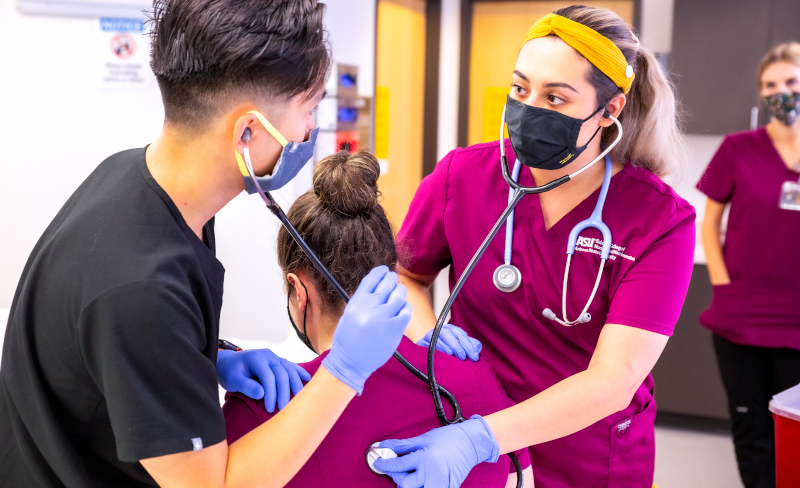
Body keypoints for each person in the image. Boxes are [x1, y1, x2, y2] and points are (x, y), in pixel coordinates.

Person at [0, 1, 413, 487]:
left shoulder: (142, 180)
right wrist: (343, 371)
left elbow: (107, 349)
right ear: (246, 132)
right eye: (309, 108)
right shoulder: (139, 288)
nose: (309, 132)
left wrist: (210, 357)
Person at [373, 6, 696, 488]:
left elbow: (614, 380)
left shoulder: (660, 221)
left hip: (587, 452)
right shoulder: (462, 175)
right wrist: (427, 333)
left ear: (610, 110)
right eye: (521, 89)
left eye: (556, 97)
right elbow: (406, 275)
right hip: (467, 422)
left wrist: (480, 438)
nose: (529, 108)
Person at [221, 150, 534, 488]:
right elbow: (523, 480)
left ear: (298, 290)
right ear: (388, 271)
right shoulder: (473, 376)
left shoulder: (261, 407)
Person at [697, 42, 800, 488]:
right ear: (760, 92)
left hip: (796, 317)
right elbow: (710, 223)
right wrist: (723, 287)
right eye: (770, 85)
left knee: (793, 434)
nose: (782, 93)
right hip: (741, 315)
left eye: (791, 82)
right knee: (751, 428)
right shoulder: (739, 149)